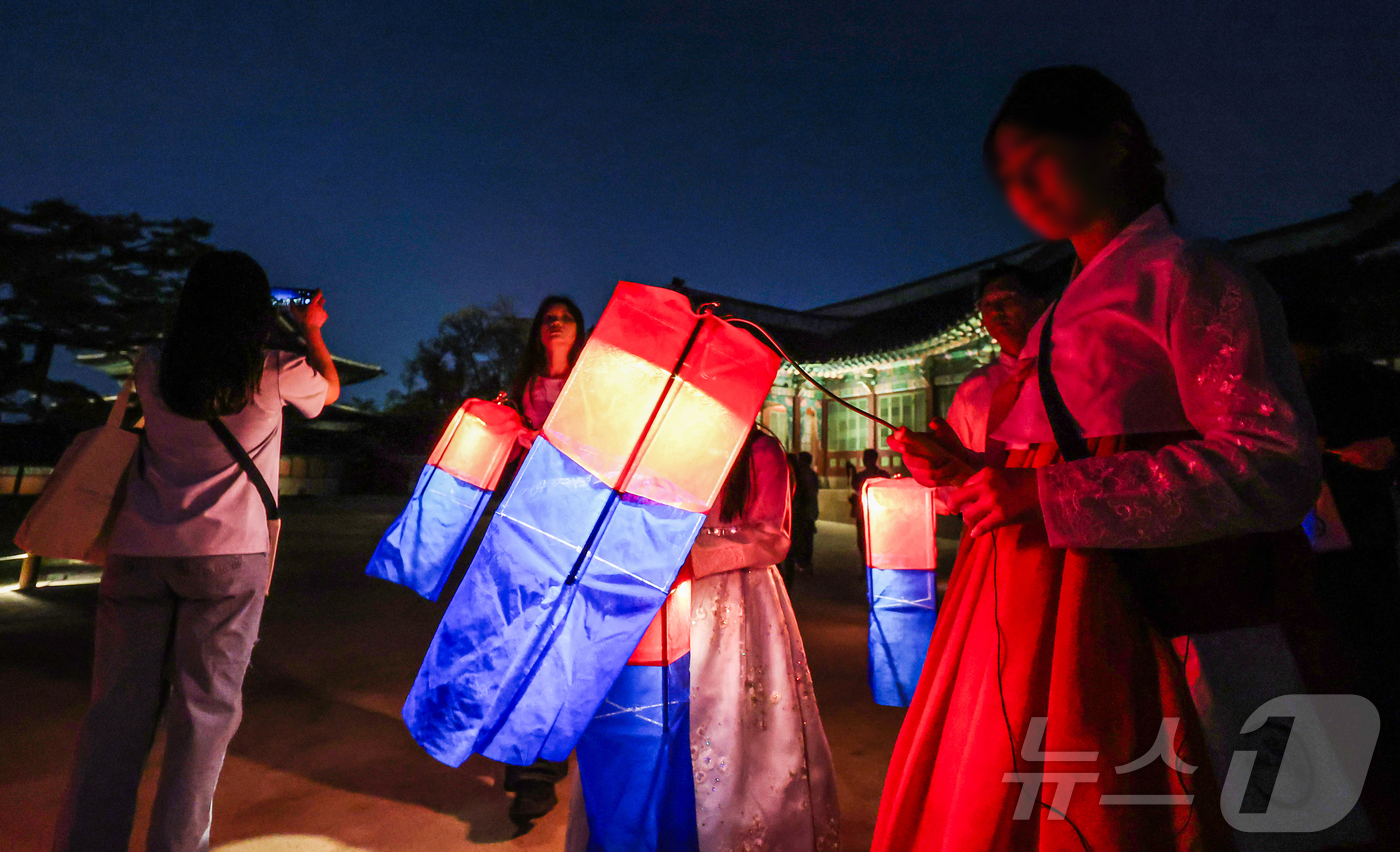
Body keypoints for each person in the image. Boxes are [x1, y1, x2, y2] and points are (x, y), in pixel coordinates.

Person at [876, 66, 1319, 852]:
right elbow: (1033, 465)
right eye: (1007, 179)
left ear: (1115, 141)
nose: (1020, 189)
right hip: (1035, 611)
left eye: (1036, 159)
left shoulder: (1191, 274)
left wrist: (1051, 496)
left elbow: (1272, 461)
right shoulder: (1063, 314)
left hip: (1163, 606)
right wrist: (962, 468)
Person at [54, 250, 339, 852]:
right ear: (255, 312)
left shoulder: (154, 365)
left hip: (138, 550)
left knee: (114, 718)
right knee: (202, 722)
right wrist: (310, 330)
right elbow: (328, 393)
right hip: (230, 557)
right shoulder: (276, 368)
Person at [499, 294, 586, 827]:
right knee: (518, 645)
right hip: (523, 530)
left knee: (560, 648)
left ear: (580, 330)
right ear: (537, 332)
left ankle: (544, 768)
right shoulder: (520, 392)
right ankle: (518, 761)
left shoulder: (593, 389)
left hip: (575, 533)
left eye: (566, 318)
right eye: (548, 319)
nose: (556, 325)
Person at [850, 447, 891, 560]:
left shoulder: (882, 475)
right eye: (864, 458)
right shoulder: (861, 475)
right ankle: (865, 567)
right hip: (862, 513)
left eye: (867, 458)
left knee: (876, 541)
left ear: (874, 459)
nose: (865, 460)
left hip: (878, 514)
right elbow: (855, 487)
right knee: (862, 541)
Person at [788, 450, 821, 575]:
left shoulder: (802, 475)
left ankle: (803, 563)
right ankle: (804, 563)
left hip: (803, 512)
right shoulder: (810, 474)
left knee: (803, 538)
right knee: (806, 538)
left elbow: (807, 494)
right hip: (808, 511)